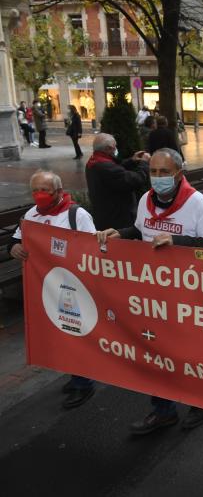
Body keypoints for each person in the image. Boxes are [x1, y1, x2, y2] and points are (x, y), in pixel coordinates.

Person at [96, 148, 203, 434]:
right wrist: (124, 233)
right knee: (155, 354)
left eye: (164, 173)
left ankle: (200, 403)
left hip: (190, 296)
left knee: (190, 355)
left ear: (179, 174)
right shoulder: (145, 200)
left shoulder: (200, 205)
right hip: (153, 295)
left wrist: (179, 242)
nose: (157, 178)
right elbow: (143, 232)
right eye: (153, 172)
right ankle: (162, 410)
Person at [9, 170, 97, 409]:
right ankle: (75, 375)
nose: (39, 195)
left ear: (59, 192)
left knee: (74, 333)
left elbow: (92, 251)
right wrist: (14, 249)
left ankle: (83, 383)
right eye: (35, 190)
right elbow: (17, 240)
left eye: (44, 191)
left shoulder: (77, 215)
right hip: (46, 287)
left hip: (73, 287)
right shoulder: (32, 214)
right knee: (58, 334)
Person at [85, 134, 151, 230]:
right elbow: (135, 179)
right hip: (117, 219)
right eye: (114, 146)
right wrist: (144, 163)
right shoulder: (106, 167)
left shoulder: (95, 160)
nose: (116, 148)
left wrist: (132, 161)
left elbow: (116, 168)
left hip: (105, 214)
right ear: (108, 149)